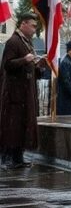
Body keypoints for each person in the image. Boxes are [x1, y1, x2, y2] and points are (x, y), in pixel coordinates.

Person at [1, 12, 46, 168]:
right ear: (23, 24)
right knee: (12, 127)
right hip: (14, 94)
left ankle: (18, 158)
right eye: (32, 26)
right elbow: (7, 65)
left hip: (26, 93)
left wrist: (39, 66)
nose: (34, 29)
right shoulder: (13, 41)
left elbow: (30, 69)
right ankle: (6, 159)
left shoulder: (27, 43)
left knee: (22, 126)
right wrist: (24, 59)